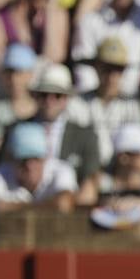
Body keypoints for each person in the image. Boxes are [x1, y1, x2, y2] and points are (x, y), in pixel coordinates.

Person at [24, 63, 102, 205]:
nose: (49, 101)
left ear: (67, 98)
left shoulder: (85, 136)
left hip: (66, 216)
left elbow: (89, 188)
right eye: (44, 95)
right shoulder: (17, 130)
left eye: (57, 95)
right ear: (36, 96)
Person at [0, 121, 77, 212]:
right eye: (23, 159)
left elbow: (64, 204)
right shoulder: (1, 173)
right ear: (12, 159)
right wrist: (44, 206)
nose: (29, 165)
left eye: (35, 158)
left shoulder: (61, 170)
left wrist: (10, 207)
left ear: (45, 158)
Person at [83, 37, 140, 166]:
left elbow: (138, 146)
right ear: (96, 68)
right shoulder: (80, 103)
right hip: (87, 170)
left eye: (117, 69)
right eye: (106, 69)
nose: (111, 76)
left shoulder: (133, 105)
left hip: (122, 171)